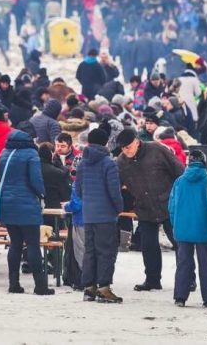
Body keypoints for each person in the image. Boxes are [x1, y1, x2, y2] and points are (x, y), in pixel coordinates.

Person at [115, 128, 183, 292]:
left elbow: (179, 171)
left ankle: (187, 278)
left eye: (129, 147)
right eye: (123, 148)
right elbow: (117, 185)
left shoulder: (157, 149)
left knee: (180, 244)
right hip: (144, 207)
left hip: (168, 205)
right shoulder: (121, 162)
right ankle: (152, 279)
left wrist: (180, 198)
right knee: (148, 246)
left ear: (137, 142)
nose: (126, 151)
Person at [0, 130, 54, 295]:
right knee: (33, 244)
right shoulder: (31, 154)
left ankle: (13, 284)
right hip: (27, 205)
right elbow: (36, 180)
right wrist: (42, 193)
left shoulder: (4, 153)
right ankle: (40, 285)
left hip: (7, 205)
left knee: (15, 244)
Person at [168, 149, 207, 308]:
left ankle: (180, 297)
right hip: (204, 230)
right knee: (206, 264)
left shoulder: (179, 181)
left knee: (183, 263)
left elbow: (171, 207)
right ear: (204, 163)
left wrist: (175, 224)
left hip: (182, 230)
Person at [77, 127, 123, 303]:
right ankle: (104, 287)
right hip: (105, 215)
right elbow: (114, 191)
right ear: (105, 142)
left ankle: (89, 288)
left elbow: (79, 190)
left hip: (88, 214)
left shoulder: (82, 162)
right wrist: (119, 208)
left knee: (90, 250)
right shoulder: (108, 163)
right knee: (106, 251)